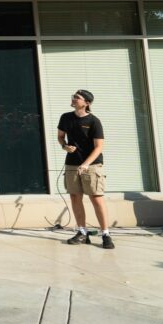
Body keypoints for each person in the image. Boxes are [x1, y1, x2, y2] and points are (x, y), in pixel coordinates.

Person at [58, 90, 113, 249]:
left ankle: (105, 234)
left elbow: (99, 147)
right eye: (73, 96)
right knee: (75, 197)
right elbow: (61, 136)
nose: (73, 99)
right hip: (71, 164)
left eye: (77, 98)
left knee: (96, 198)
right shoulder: (66, 117)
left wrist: (86, 164)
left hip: (92, 165)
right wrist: (64, 146)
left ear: (87, 103)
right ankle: (82, 232)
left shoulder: (94, 121)